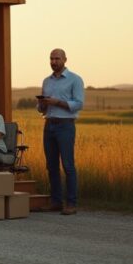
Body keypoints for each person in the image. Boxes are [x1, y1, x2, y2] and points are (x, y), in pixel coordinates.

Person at [37, 48, 84, 215]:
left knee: (68, 165)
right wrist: (42, 105)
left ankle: (71, 203)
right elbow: (41, 109)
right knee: (51, 166)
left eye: (57, 58)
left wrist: (57, 102)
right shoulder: (46, 81)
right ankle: (56, 202)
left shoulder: (75, 79)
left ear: (65, 60)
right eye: (51, 59)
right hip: (49, 124)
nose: (53, 62)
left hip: (65, 125)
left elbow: (78, 104)